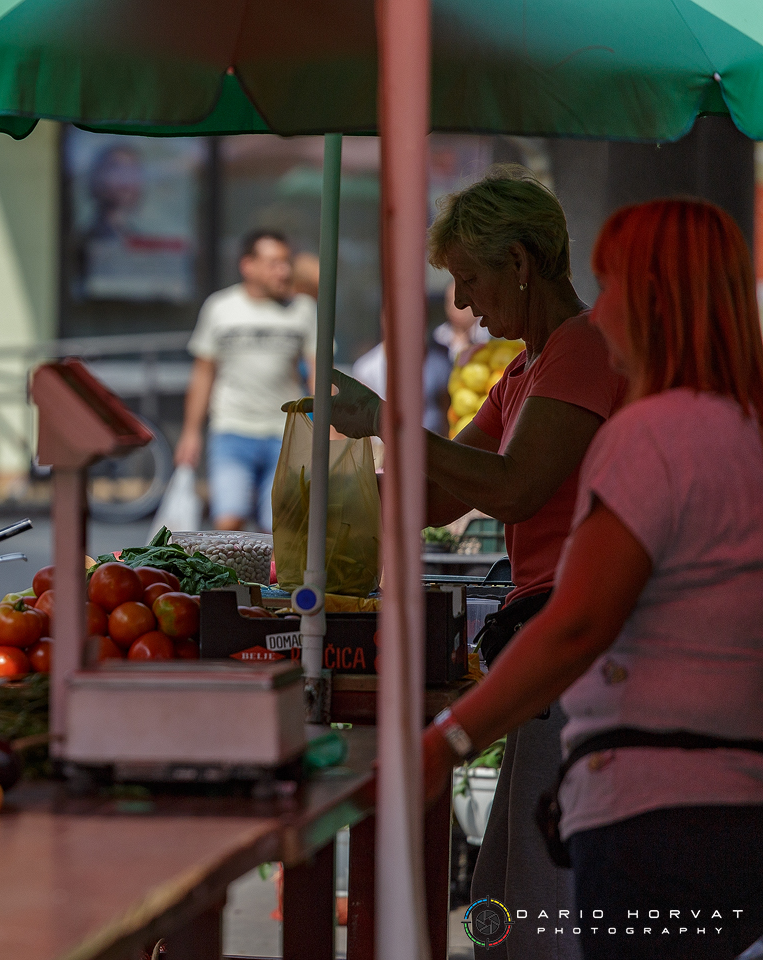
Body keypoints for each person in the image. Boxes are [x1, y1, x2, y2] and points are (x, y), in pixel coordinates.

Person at [422, 198, 763, 959]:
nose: (598, 310)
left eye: (611, 286)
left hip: (648, 795)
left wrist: (447, 740)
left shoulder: (653, 432)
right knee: (500, 905)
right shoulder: (741, 423)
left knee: (528, 924)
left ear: (651, 301)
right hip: (733, 788)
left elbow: (576, 623)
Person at [300, 166, 627, 960]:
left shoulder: (582, 352)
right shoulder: (522, 373)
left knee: (536, 895)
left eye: (469, 279)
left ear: (519, 262)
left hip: (579, 646)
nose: (462, 305)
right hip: (542, 650)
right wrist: (320, 499)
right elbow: (441, 497)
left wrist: (384, 420)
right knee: (502, 892)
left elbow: (513, 490)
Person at [176, 229, 316, 531]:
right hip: (231, 429)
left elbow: (318, 373)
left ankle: (271, 581)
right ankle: (234, 581)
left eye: (286, 262)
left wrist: (330, 429)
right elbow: (203, 373)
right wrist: (190, 432)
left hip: (285, 434)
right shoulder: (220, 307)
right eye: (273, 262)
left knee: (279, 527)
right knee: (229, 522)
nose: (284, 270)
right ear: (248, 266)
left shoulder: (303, 310)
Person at [435, 278, 490, 362]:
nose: (453, 308)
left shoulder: (492, 334)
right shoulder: (438, 339)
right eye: (449, 302)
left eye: (460, 301)